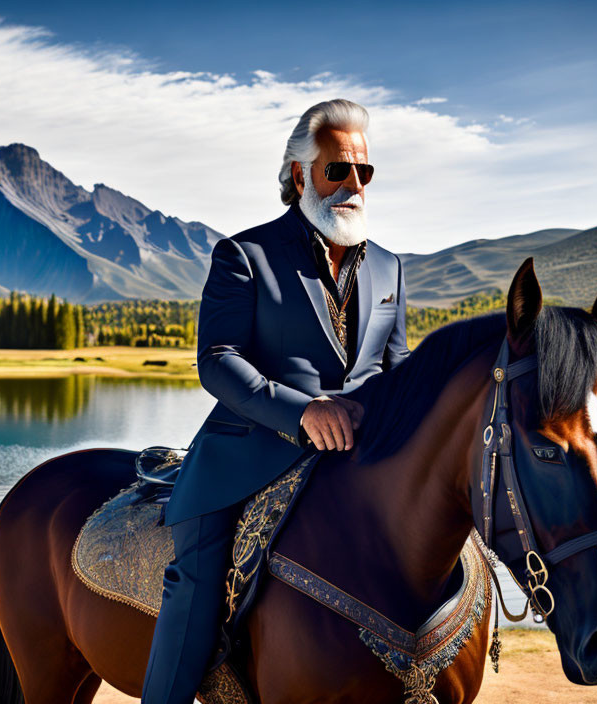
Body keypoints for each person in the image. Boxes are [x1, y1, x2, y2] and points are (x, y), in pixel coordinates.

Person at [141, 98, 411, 704]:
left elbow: (396, 368)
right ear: (299, 175)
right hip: (246, 460)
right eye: (337, 169)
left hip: (361, 459)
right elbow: (218, 360)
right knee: (197, 580)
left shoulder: (391, 267)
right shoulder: (244, 255)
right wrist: (303, 412)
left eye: (364, 172)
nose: (353, 185)